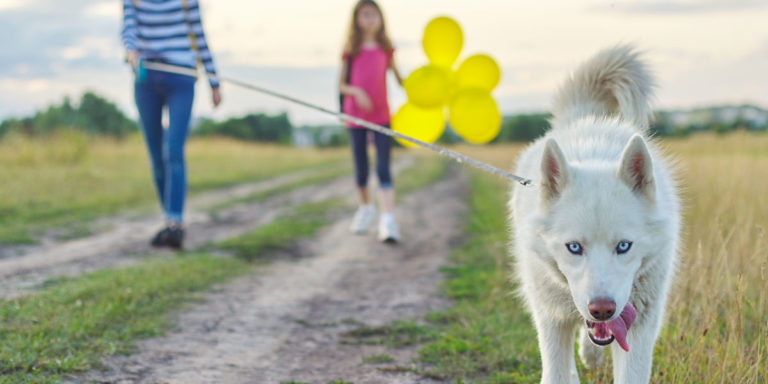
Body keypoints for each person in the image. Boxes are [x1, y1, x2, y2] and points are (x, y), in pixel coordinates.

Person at [121, 0, 221, 249]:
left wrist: (213, 80)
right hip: (146, 77)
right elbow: (129, 29)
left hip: (181, 76)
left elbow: (198, 36)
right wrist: (131, 51)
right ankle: (169, 221)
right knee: (156, 155)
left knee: (173, 151)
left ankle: (175, 223)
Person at [339, 0, 404, 243]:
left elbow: (400, 79)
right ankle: (366, 208)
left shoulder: (386, 49)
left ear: (381, 18)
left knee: (384, 167)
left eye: (374, 15)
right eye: (365, 15)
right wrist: (357, 92)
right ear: (356, 19)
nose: (370, 20)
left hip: (381, 116)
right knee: (361, 168)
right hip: (355, 115)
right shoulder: (351, 49)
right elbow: (341, 85)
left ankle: (388, 220)